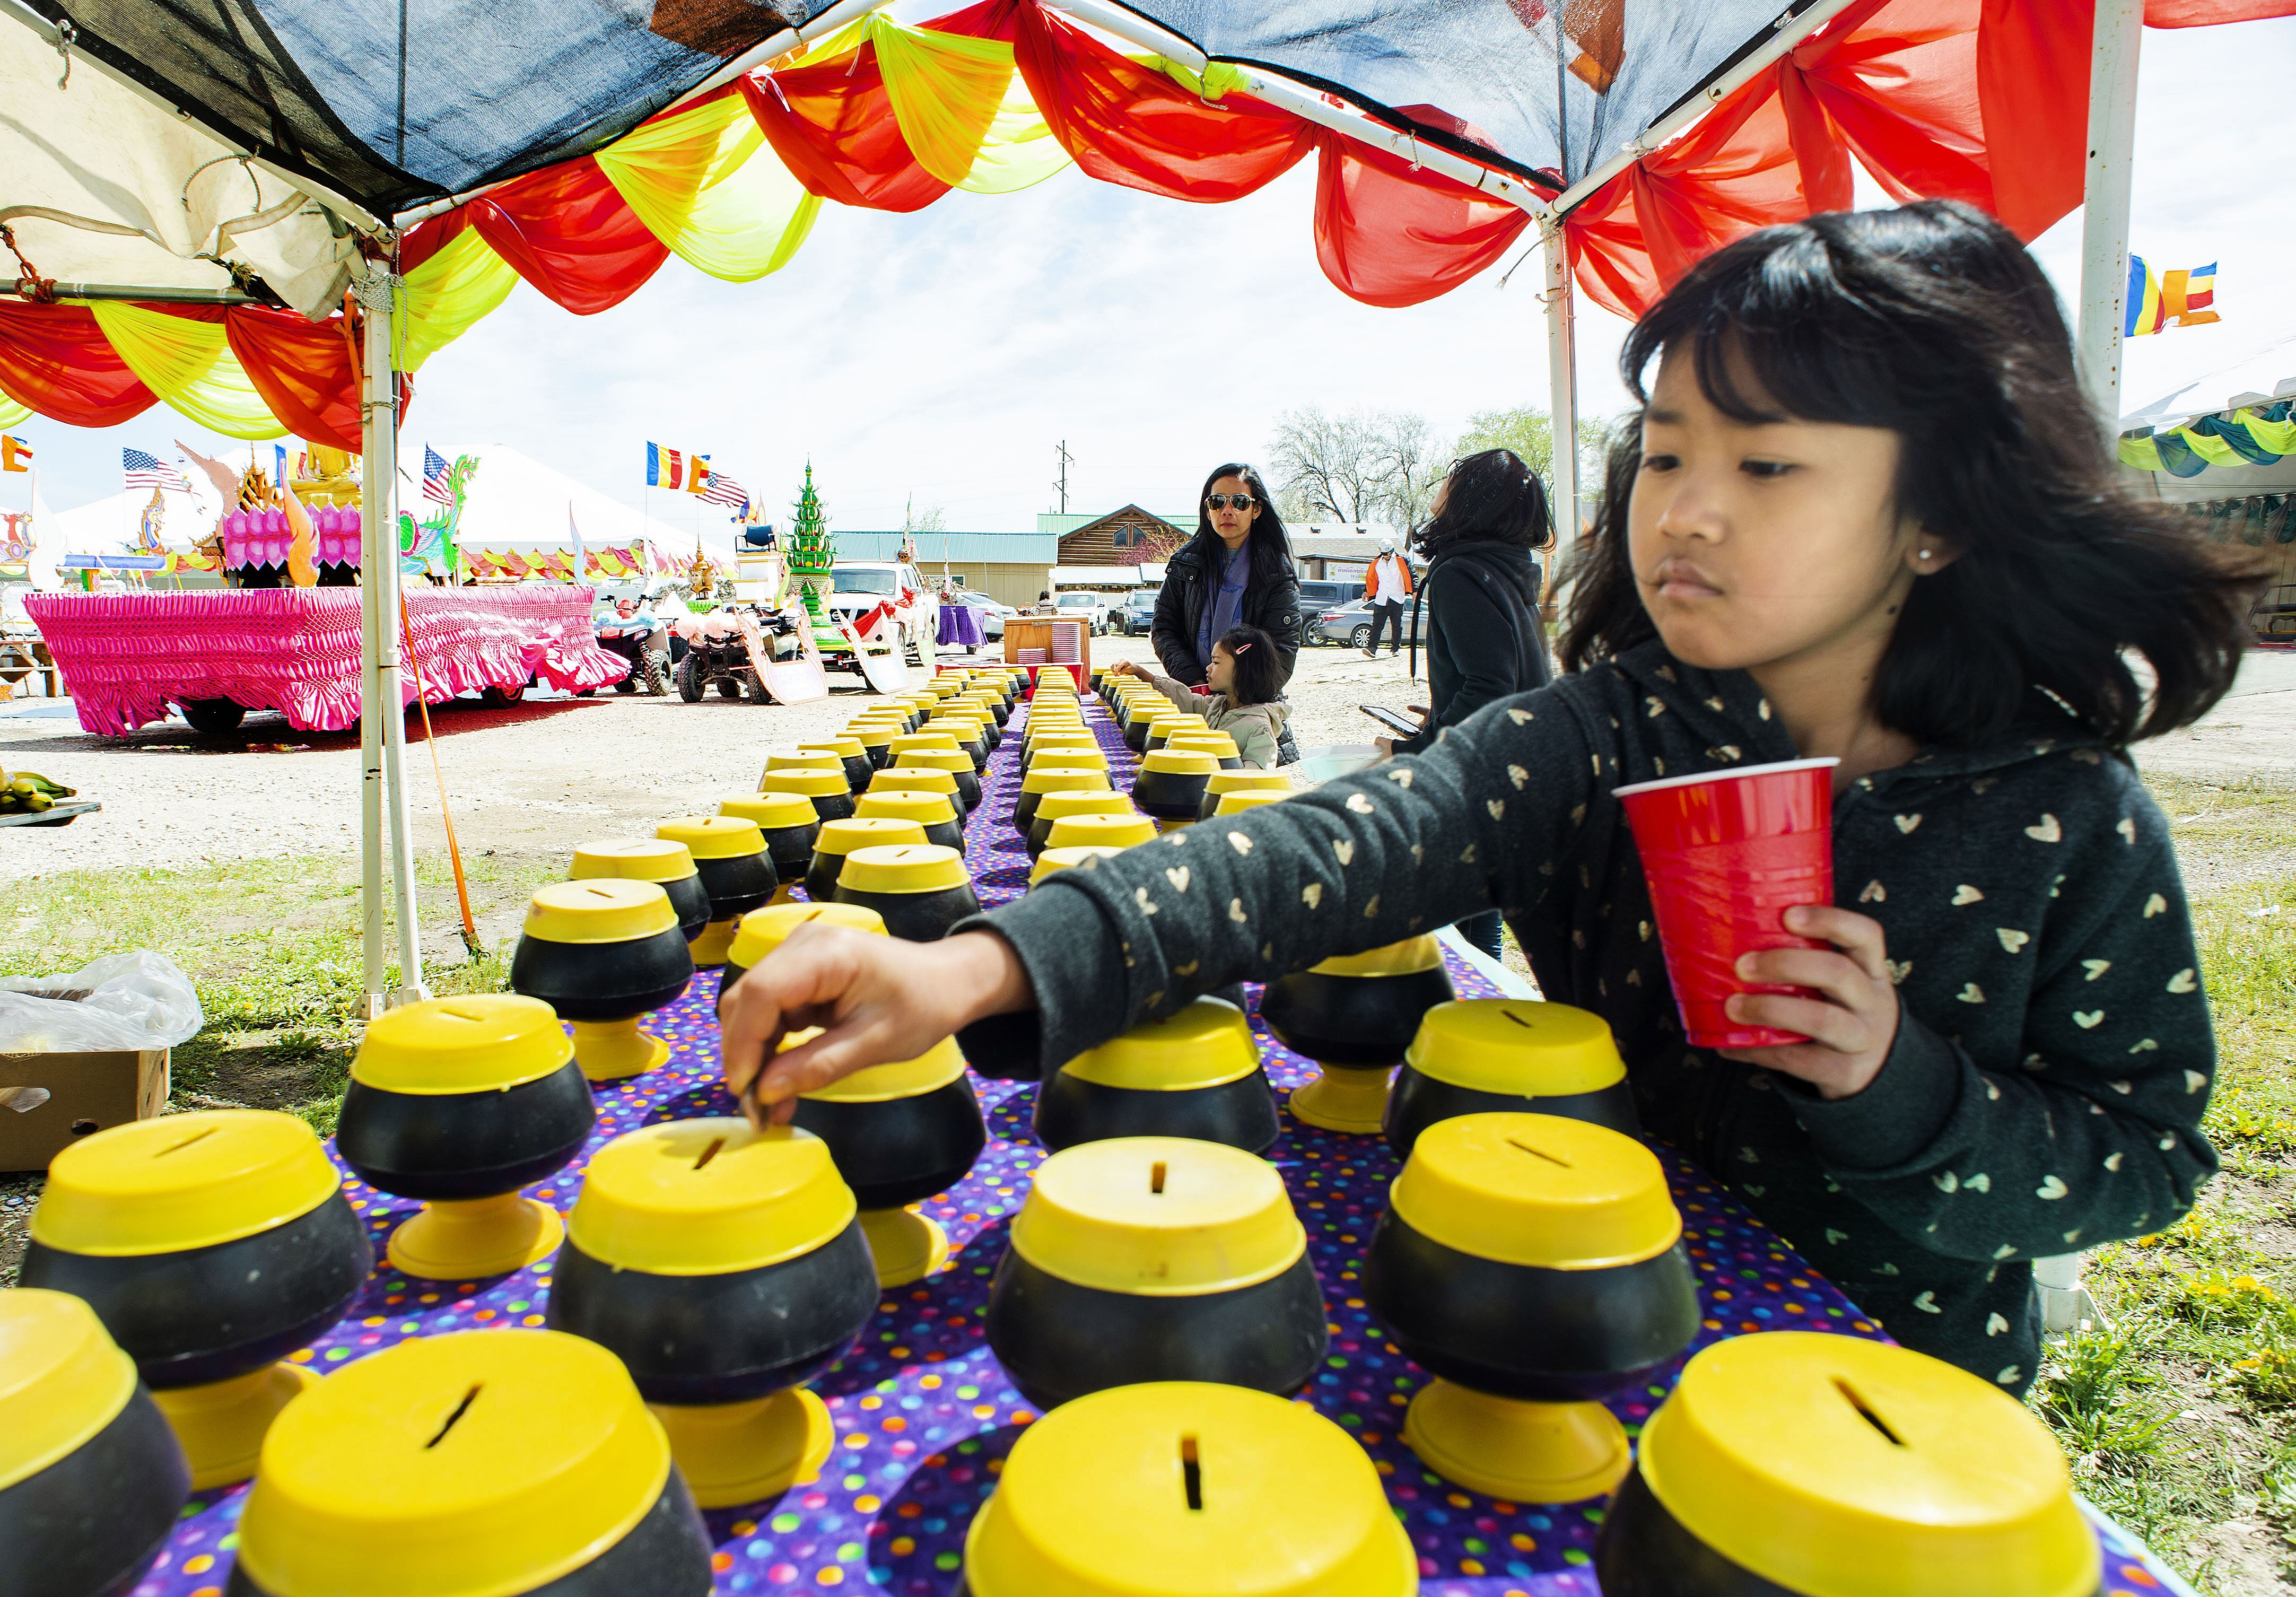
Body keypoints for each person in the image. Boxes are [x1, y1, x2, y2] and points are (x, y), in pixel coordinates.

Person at [718, 202, 2263, 1392]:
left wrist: (1896, 1084)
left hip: (1899, 1407)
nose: (1690, 509)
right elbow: (1330, 849)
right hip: (1570, 1324)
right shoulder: (1607, 732)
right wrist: (973, 958)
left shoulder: (2068, 817)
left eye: (1770, 465)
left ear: (1939, 517)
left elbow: (2143, 1156)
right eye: (1665, 455)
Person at [1378, 449, 1555, 959]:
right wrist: (1441, 710)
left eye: (1453, 480)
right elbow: (1509, 674)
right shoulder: (1507, 568)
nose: (1441, 490)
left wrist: (1414, 749)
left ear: (1473, 497)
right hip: (1517, 768)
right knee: (1481, 923)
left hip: (1478, 779)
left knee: (1461, 938)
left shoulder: (1461, 573)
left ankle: (1472, 1026)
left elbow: (1490, 686)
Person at [1149, 464, 1304, 742]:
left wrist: (1236, 697)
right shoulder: (1185, 563)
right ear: (1207, 510)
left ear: (1256, 510)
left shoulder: (1277, 572)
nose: (1227, 510)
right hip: (1194, 702)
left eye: (1240, 502)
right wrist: (1196, 683)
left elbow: (1281, 650)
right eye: (1217, 501)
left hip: (1250, 712)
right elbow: (1164, 628)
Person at [1106, 624, 1288, 769]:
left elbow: (1254, 779)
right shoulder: (1217, 706)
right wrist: (1141, 673)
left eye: (1216, 662)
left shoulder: (1260, 728)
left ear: (1244, 670)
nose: (1209, 668)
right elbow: (1185, 698)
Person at [1362, 536, 1414, 657]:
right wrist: (1366, 591)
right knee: (1377, 625)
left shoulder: (1403, 560)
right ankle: (1372, 648)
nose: (1387, 556)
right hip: (1381, 598)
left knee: (1397, 625)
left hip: (1397, 598)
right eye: (1385, 554)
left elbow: (1412, 575)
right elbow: (1371, 579)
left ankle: (1395, 649)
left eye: (1389, 553)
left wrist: (1415, 591)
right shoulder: (1376, 563)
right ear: (1381, 552)